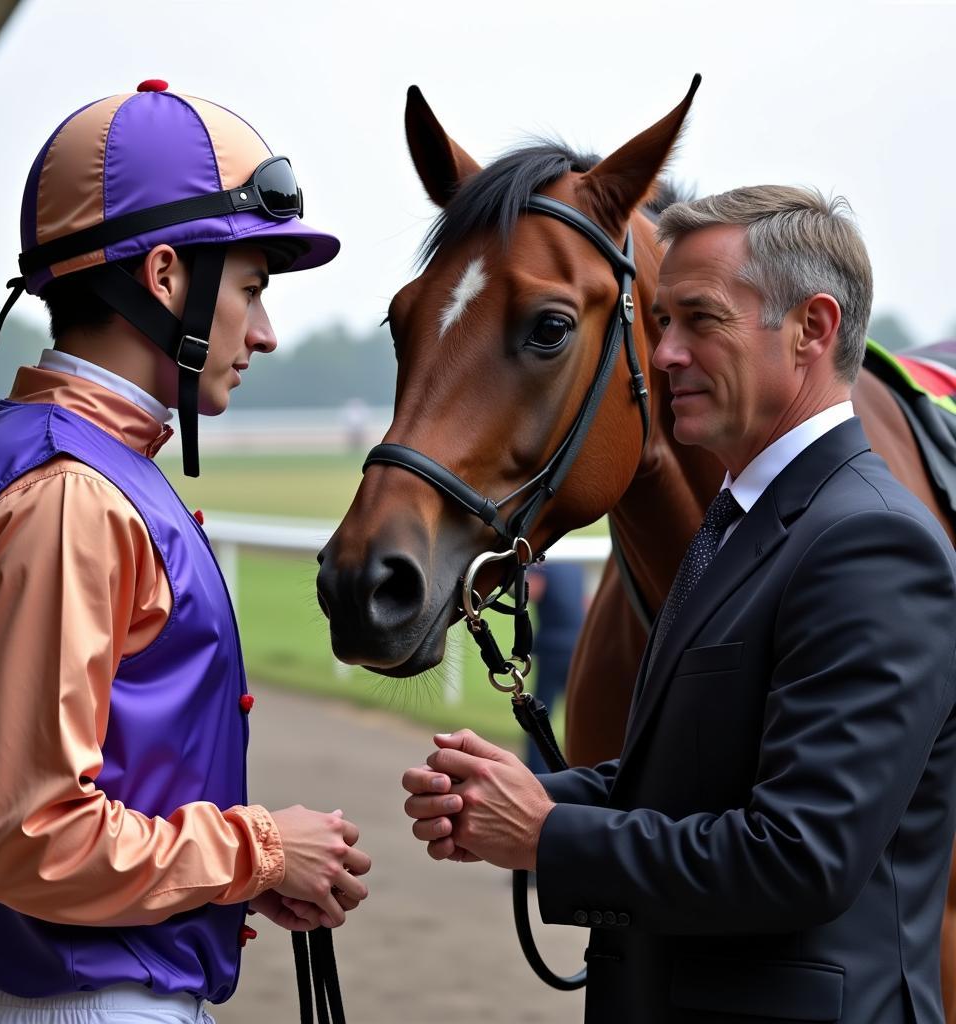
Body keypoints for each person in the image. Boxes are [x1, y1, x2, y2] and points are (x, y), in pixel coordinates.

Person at [402, 185, 956, 1022]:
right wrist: (533, 797)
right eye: (662, 323)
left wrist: (547, 838)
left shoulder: (872, 543)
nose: (662, 355)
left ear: (813, 328)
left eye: (701, 321)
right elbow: (698, 776)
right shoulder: (743, 518)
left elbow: (800, 858)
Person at [0, 81, 370, 1022]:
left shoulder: (45, 459)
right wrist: (258, 850)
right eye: (251, 289)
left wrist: (235, 880)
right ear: (166, 276)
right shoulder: (69, 493)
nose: (264, 331)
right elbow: (32, 838)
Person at [523, 561, 585, 775]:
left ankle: (539, 771)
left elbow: (532, 591)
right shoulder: (577, 566)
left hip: (552, 649)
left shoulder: (541, 566)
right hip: (578, 648)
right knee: (578, 715)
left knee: (540, 716)